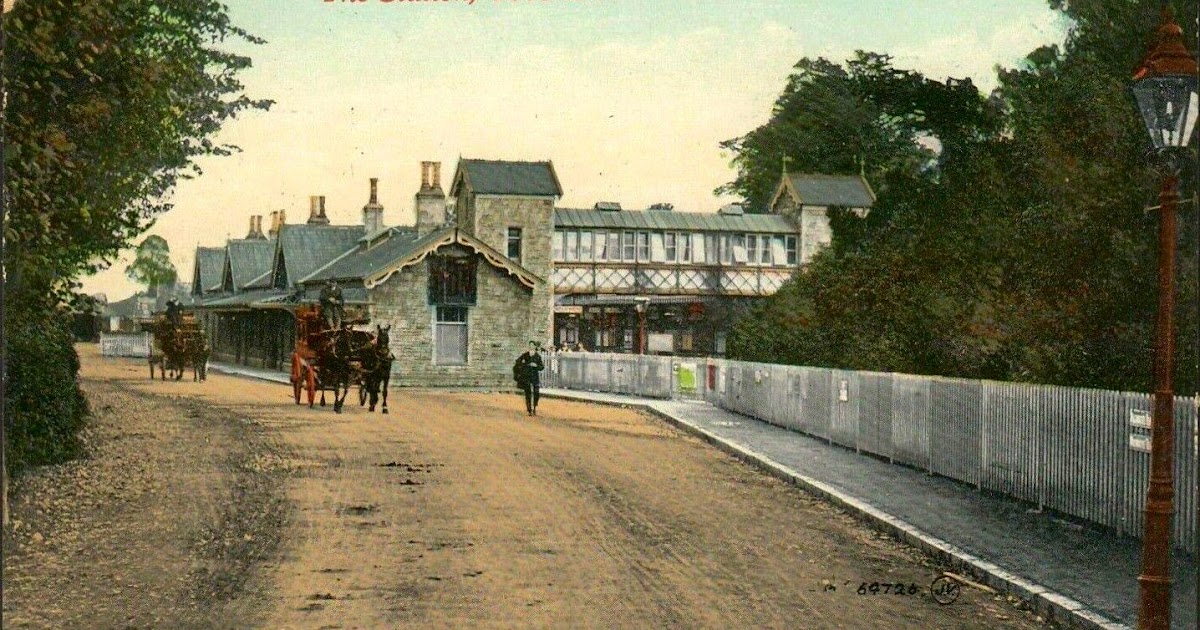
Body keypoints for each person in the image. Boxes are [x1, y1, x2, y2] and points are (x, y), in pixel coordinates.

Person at [513, 341, 544, 416]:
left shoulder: (537, 356)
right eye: (530, 345)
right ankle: (529, 409)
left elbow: (542, 367)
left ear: (535, 346)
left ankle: (535, 407)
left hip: (534, 376)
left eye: (532, 345)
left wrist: (536, 365)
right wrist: (526, 365)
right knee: (528, 392)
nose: (531, 346)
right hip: (527, 376)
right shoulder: (525, 355)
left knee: (536, 392)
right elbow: (518, 362)